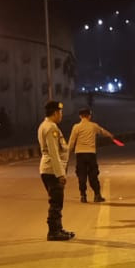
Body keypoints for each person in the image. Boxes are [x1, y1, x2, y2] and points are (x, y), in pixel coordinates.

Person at [37, 100, 76, 241]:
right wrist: (60, 174)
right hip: (52, 170)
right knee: (56, 202)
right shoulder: (51, 128)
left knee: (57, 201)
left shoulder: (45, 125)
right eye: (60, 112)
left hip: (49, 169)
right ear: (55, 113)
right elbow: (53, 153)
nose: (61, 115)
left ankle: (58, 228)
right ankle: (53, 231)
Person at [66, 108, 114, 203]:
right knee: (93, 175)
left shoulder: (76, 127)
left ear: (80, 116)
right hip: (91, 154)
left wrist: (67, 155)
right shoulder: (93, 126)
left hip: (80, 154)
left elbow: (71, 142)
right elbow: (102, 131)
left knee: (81, 175)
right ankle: (97, 195)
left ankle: (83, 196)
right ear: (89, 116)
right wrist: (110, 136)